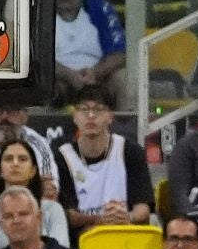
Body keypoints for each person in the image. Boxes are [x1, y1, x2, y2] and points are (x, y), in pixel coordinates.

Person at [55, 87, 151, 238]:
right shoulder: (62, 156)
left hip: (124, 235)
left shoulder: (130, 151)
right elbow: (68, 215)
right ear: (74, 116)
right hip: (82, 240)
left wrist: (128, 217)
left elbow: (143, 208)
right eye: (84, 109)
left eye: (99, 110)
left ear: (111, 116)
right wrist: (101, 220)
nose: (91, 115)